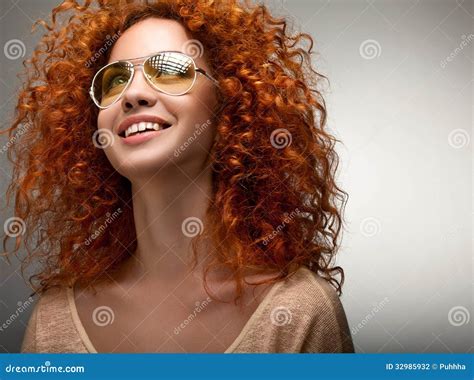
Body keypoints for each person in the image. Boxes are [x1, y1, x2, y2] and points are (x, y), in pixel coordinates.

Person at [2, 0, 354, 353]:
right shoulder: (54, 321)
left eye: (170, 70)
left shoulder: (299, 312)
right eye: (114, 80)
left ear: (227, 102)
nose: (133, 95)